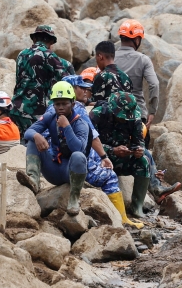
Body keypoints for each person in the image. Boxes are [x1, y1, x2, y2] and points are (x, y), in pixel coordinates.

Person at [19, 83, 131, 223]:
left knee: (78, 156)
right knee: (32, 140)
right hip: (54, 169)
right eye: (57, 103)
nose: (60, 107)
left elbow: (78, 149)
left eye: (64, 103)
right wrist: (37, 136)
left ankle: (73, 199)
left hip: (70, 172)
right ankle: (33, 179)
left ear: (72, 104)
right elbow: (28, 131)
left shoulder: (81, 124)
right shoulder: (50, 116)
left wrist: (66, 127)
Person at [90, 93, 149, 225]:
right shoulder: (98, 114)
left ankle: (137, 207)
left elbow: (139, 141)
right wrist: (112, 150)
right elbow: (88, 141)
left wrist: (138, 150)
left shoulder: (135, 116)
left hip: (122, 158)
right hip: (100, 158)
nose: (124, 120)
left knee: (143, 161)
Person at [11, 25, 75, 133]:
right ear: (51, 42)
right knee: (35, 144)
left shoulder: (21, 54)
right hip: (35, 112)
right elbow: (66, 80)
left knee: (20, 144)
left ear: (34, 39)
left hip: (16, 109)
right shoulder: (48, 55)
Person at [114, 20, 159, 126]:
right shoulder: (143, 59)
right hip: (137, 113)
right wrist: (152, 111)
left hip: (113, 113)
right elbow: (154, 84)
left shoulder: (110, 58)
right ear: (137, 39)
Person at [91, 41, 133, 105]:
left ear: (100, 57)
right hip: (126, 114)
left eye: (96, 58)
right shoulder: (126, 76)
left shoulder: (101, 76)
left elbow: (96, 104)